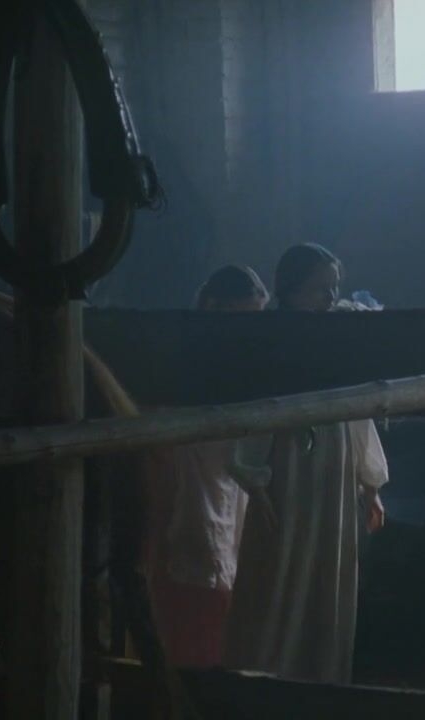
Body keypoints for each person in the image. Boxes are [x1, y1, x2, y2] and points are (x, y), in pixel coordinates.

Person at [224, 243, 388, 684]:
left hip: (335, 464)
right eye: (320, 289)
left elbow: (357, 408)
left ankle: (323, 677)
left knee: (327, 570)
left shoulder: (337, 337)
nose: (330, 298)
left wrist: (370, 483)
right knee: (282, 568)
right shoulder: (274, 340)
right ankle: (266, 675)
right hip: (291, 463)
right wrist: (256, 482)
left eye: (334, 288)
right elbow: (257, 409)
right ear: (292, 291)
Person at [146, 264, 274, 668]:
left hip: (227, 473)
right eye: (242, 316)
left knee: (226, 561)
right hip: (189, 467)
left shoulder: (248, 357)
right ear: (216, 308)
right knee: (193, 550)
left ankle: (211, 666)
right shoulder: (185, 351)